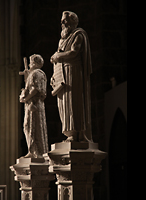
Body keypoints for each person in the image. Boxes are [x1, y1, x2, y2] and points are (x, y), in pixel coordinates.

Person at [50, 11, 93, 142]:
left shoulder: (78, 35)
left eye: (65, 20)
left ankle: (76, 133)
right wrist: (54, 75)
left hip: (73, 72)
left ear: (73, 22)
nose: (62, 23)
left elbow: (74, 52)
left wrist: (58, 56)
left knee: (73, 102)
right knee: (63, 105)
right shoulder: (62, 40)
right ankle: (69, 133)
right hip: (62, 74)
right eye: (62, 20)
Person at [19, 54, 48, 158]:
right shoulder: (34, 73)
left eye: (31, 62)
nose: (30, 64)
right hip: (32, 103)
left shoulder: (37, 73)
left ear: (35, 63)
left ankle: (36, 152)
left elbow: (36, 89)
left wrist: (26, 98)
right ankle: (32, 150)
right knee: (29, 126)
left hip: (34, 103)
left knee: (32, 126)